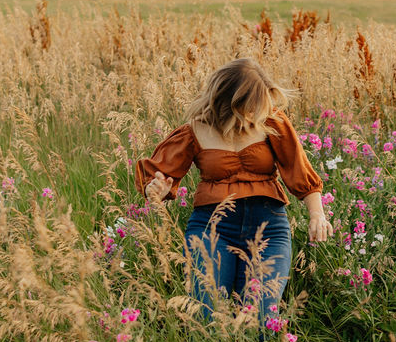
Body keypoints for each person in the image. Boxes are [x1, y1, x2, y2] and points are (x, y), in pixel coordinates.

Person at [135, 58, 332, 321]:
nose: (255, 113)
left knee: (259, 321)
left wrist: (317, 214)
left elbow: (300, 171)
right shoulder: (195, 130)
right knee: (206, 317)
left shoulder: (272, 122)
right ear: (229, 102)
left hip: (269, 229)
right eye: (250, 106)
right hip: (211, 230)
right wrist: (155, 191)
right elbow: (157, 179)